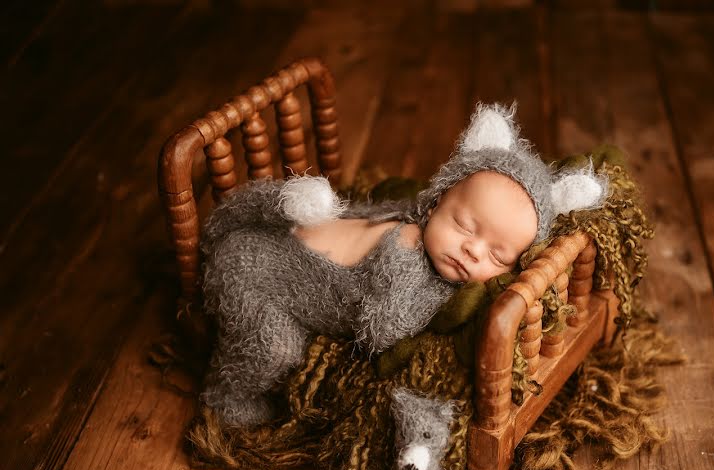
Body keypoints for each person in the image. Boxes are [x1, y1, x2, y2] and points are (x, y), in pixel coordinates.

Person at [200, 103, 608, 427]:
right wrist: (397, 252)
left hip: (277, 259)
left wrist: (401, 256)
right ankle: (230, 397)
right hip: (253, 270)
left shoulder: (437, 272)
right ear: (435, 202)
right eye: (464, 225)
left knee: (282, 336)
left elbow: (380, 320)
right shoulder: (414, 234)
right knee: (275, 349)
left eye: (498, 256)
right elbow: (375, 319)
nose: (472, 251)